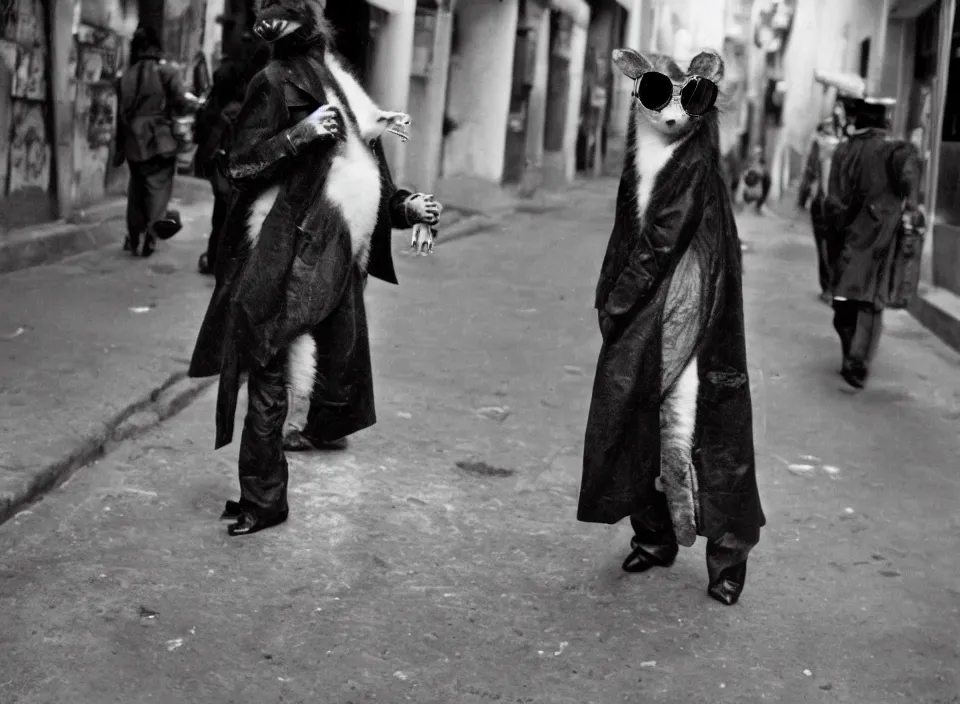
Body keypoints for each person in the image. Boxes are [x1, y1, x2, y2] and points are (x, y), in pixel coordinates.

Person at [187, 0, 442, 536]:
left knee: (278, 370)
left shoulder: (340, 86)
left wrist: (407, 208)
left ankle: (264, 496)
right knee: (268, 368)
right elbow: (240, 164)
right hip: (284, 250)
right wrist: (300, 134)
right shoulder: (273, 81)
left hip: (331, 257)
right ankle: (262, 497)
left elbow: (368, 178)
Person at [825, 98, 920, 389]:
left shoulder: (845, 150)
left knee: (844, 300)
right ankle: (857, 361)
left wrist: (836, 234)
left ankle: (851, 356)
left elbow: (834, 200)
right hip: (882, 238)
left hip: (850, 238)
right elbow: (909, 185)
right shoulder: (896, 151)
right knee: (870, 302)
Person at [113, 26, 200, 257]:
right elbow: (181, 102)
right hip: (159, 141)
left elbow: (120, 115)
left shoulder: (125, 77)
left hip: (133, 141)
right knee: (158, 191)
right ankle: (151, 234)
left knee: (137, 189)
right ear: (155, 47)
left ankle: (134, 235)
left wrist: (120, 147)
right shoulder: (168, 72)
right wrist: (194, 104)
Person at [192, 34, 272, 275]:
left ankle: (216, 257)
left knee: (222, 207)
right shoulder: (268, 80)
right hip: (250, 153)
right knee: (246, 211)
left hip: (226, 152)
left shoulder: (227, 75)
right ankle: (237, 263)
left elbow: (210, 112)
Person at [797, 117, 842, 304]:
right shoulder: (842, 146)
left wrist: (802, 198)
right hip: (836, 204)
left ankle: (828, 287)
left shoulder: (817, 144)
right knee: (834, 245)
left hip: (822, 202)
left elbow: (809, 171)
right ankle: (833, 287)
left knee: (823, 245)